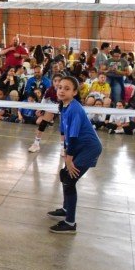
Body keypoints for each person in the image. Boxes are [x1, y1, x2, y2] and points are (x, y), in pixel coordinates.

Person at [47, 75, 103, 234]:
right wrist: (66, 154)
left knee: (69, 180)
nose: (62, 91)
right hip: (76, 146)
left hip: (88, 148)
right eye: (60, 87)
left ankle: (70, 223)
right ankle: (66, 209)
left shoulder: (75, 109)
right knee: (65, 174)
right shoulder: (63, 106)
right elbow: (64, 132)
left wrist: (69, 158)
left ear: (75, 92)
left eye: (67, 88)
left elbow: (73, 136)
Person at [28, 75, 62, 153]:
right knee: (42, 123)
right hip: (52, 107)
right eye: (55, 81)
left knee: (63, 126)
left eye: (59, 81)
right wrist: (40, 109)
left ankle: (63, 147)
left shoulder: (65, 91)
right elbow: (44, 101)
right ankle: (36, 144)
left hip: (63, 108)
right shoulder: (49, 90)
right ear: (52, 82)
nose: (57, 83)